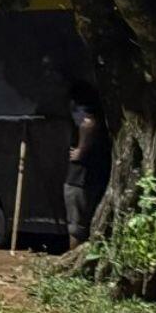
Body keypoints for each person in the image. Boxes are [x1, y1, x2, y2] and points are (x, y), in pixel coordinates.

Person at [66, 84, 111, 251]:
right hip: (91, 178)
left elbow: (88, 123)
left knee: (77, 228)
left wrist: (80, 150)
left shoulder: (87, 117)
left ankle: (73, 261)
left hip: (80, 179)